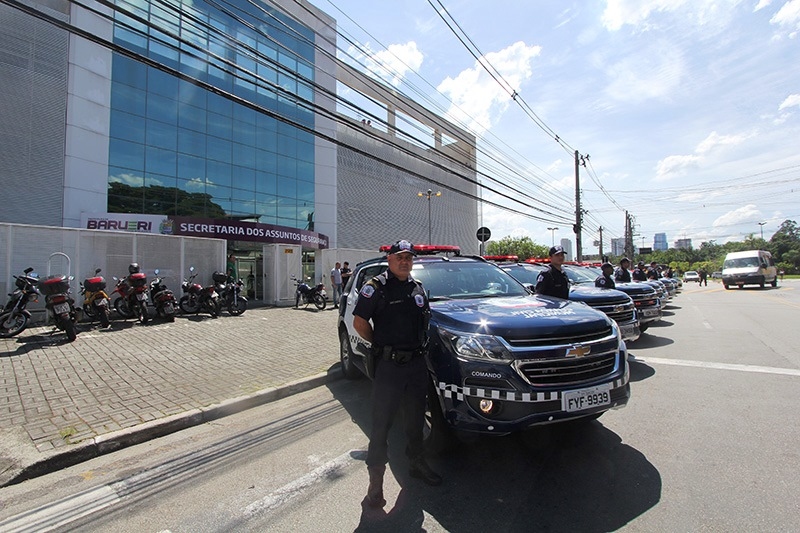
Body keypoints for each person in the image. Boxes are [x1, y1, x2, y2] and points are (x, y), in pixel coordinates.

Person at [352, 240, 441, 508]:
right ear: (389, 260)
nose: (404, 261)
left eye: (408, 258)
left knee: (415, 422)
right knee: (381, 426)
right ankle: (375, 485)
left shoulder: (417, 288)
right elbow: (359, 323)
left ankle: (416, 463)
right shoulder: (375, 288)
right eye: (399, 257)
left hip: (415, 365)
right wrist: (382, 347)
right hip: (389, 367)